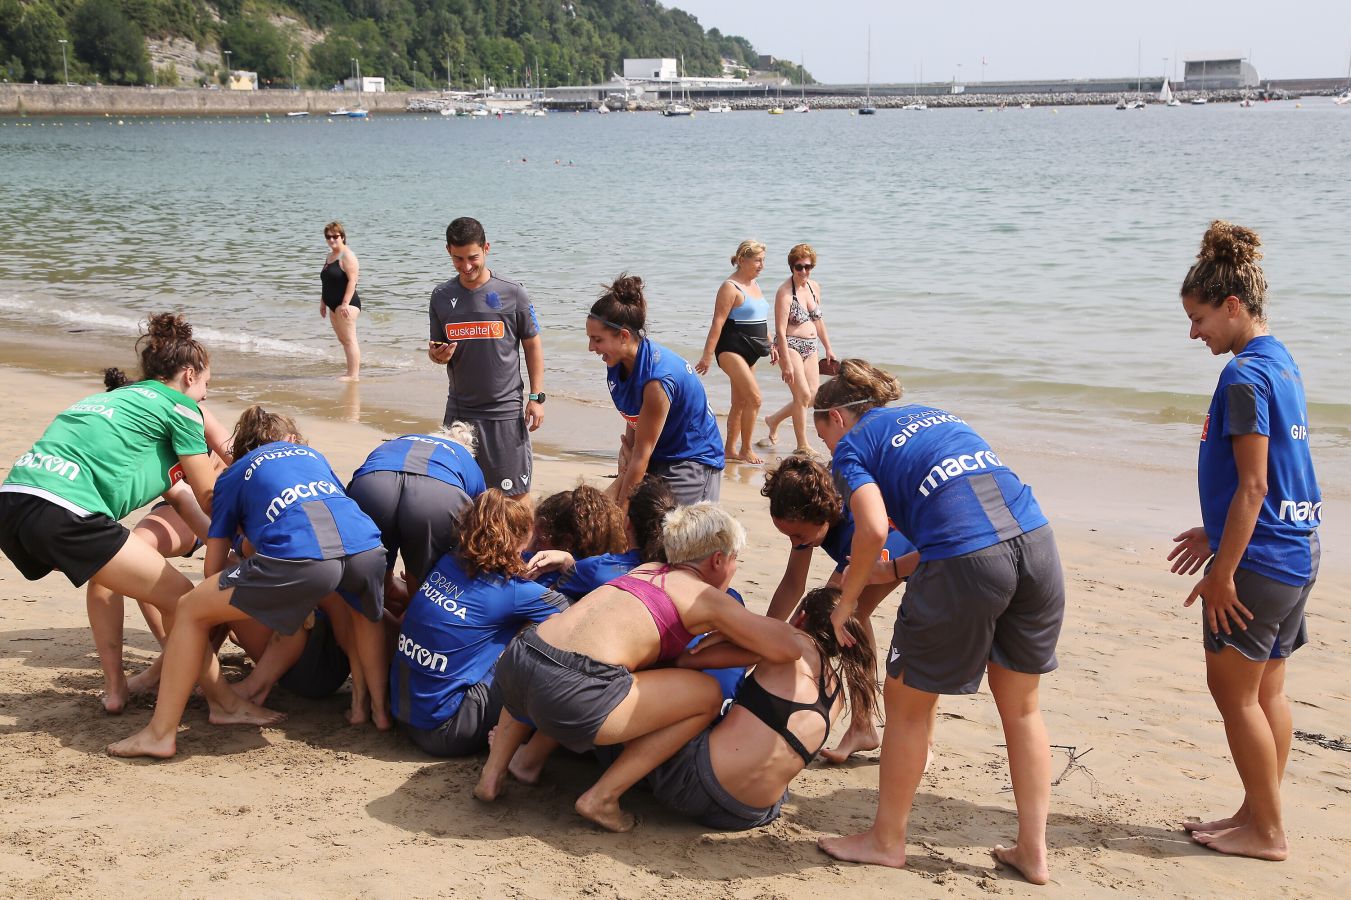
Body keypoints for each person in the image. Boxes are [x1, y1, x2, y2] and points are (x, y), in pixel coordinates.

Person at [811, 360, 1064, 885]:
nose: (828, 450)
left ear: (837, 417)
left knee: (905, 705)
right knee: (1022, 709)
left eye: (824, 436)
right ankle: (1033, 852)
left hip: (968, 559)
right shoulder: (933, 414)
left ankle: (885, 842)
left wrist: (847, 601)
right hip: (1038, 543)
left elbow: (874, 526)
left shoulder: (855, 448)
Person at [473, 503, 801, 832]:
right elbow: (786, 648)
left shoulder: (645, 569)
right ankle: (602, 797)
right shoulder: (705, 596)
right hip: (571, 696)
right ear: (717, 560)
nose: (734, 569)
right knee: (707, 695)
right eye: (734, 560)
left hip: (519, 665)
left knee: (558, 652)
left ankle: (492, 775)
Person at [107, 407, 388, 759]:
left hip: (300, 558)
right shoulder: (312, 455)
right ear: (291, 439)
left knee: (191, 608)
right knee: (363, 612)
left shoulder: (234, 475)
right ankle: (372, 710)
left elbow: (212, 569)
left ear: (240, 450)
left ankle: (160, 733)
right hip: (368, 546)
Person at [1166, 221, 1320, 863]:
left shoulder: (1242, 379)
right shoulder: (1279, 360)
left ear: (1233, 306)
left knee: (1235, 697)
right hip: (1298, 548)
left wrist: (1224, 570)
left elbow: (1254, 486)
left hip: (1260, 561)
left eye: (1199, 318)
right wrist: (1217, 524)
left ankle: (1268, 832)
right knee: (1267, 693)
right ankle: (1257, 812)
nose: (1194, 332)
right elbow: (1277, 473)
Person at [0, 314, 218, 711]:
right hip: (63, 509)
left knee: (110, 576)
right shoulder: (181, 408)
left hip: (14, 501)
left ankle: (117, 690)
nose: (205, 396)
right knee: (185, 600)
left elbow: (186, 501)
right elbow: (207, 495)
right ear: (189, 375)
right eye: (206, 384)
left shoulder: (113, 403)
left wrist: (221, 543)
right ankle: (227, 704)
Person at [635, 586, 875, 829]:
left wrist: (728, 633)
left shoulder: (790, 643)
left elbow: (687, 661)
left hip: (694, 787)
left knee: (681, 692)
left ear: (801, 616)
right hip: (751, 814)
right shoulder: (838, 694)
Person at [86, 367, 237, 713]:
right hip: (182, 503)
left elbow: (234, 460)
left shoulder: (185, 412)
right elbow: (180, 497)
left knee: (223, 577)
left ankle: (172, 660)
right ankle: (172, 655)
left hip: (220, 505)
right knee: (131, 558)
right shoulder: (139, 431)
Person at [390, 490, 570, 757]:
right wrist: (568, 561)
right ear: (519, 540)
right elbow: (572, 613)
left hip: (401, 712)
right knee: (536, 634)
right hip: (447, 731)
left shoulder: (448, 561)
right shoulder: (514, 592)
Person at [761, 455, 917, 761]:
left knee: (840, 616)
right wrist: (764, 633)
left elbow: (829, 602)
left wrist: (783, 638)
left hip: (912, 542)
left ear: (823, 518)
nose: (796, 542)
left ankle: (901, 735)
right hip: (874, 542)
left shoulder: (859, 525)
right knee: (845, 616)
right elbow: (793, 582)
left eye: (799, 536)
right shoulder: (810, 508)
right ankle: (863, 726)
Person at [426, 216, 545, 496]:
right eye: (458, 259)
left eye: (473, 257)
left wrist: (537, 397)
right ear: (448, 251)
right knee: (455, 493)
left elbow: (532, 343)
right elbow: (437, 351)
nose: (466, 267)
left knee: (514, 497)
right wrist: (437, 357)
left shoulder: (513, 293)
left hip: (504, 412)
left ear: (487, 248)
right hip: (459, 411)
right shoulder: (441, 296)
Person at [586, 273, 724, 506]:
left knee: (668, 535)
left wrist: (622, 510)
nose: (591, 347)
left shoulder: (657, 380)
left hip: (692, 461)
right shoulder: (617, 361)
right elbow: (635, 419)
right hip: (658, 454)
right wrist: (626, 456)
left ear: (623, 336)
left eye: (597, 340)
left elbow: (642, 454)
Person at [346, 425, 487, 607]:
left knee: (370, 586)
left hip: (374, 483)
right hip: (437, 495)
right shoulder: (467, 459)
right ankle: (414, 613)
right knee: (426, 591)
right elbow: (481, 521)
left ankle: (381, 600)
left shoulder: (401, 440)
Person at [696, 240, 773, 464]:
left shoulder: (755, 285)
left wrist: (772, 344)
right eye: (757, 260)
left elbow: (760, 320)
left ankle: (730, 449)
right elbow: (717, 323)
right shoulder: (730, 287)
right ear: (742, 260)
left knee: (740, 401)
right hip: (731, 348)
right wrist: (707, 355)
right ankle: (746, 449)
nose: (762, 265)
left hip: (753, 349)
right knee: (755, 399)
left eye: (763, 260)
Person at [763, 244, 836, 455]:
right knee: (802, 394)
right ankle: (802, 445)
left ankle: (773, 420)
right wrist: (785, 362)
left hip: (811, 347)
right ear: (792, 267)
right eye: (799, 267)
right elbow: (779, 329)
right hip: (790, 344)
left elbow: (819, 322)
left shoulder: (814, 287)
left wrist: (828, 348)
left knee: (812, 397)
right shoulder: (785, 293)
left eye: (808, 266)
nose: (804, 271)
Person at [320, 221, 361, 381]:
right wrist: (323, 302)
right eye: (328, 237)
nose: (332, 240)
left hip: (347, 305)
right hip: (332, 304)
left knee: (350, 339)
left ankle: (353, 375)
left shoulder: (347, 256)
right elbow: (327, 281)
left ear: (342, 236)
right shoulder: (330, 256)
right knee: (342, 339)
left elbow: (353, 281)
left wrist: (344, 303)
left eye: (335, 236)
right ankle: (349, 371)